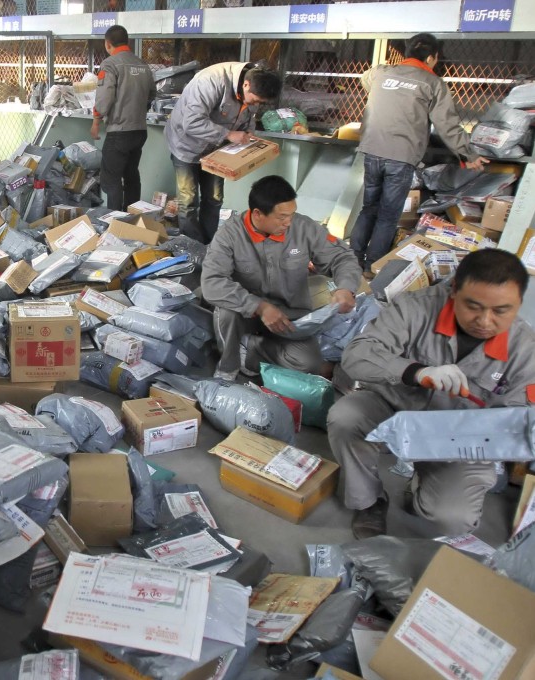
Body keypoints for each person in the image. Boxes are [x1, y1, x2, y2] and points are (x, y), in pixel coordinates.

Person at [328, 249, 535, 539]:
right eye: (473, 306)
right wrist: (417, 372)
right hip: (395, 410)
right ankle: (370, 502)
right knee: (346, 417)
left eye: (501, 310)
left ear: (518, 304)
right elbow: (357, 355)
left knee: (453, 518)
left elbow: (520, 423)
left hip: (462, 442)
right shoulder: (415, 308)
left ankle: (422, 492)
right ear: (453, 291)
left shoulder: (526, 350)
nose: (485, 321)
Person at [201, 175, 361, 381]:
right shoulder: (229, 234)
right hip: (246, 314)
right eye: (281, 217)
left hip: (289, 316)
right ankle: (228, 365)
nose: (288, 222)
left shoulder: (304, 228)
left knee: (308, 364)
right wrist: (259, 307)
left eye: (291, 214)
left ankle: (250, 351)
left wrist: (346, 287)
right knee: (226, 311)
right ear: (257, 214)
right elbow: (212, 282)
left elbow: (342, 256)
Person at [351, 33, 488, 272]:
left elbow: (366, 79)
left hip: (372, 150)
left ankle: (352, 260)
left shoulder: (381, 73)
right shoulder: (433, 83)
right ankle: (372, 266)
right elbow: (447, 125)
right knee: (388, 215)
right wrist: (468, 154)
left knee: (369, 207)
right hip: (401, 156)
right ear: (432, 58)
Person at [165, 63, 282, 243]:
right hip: (186, 145)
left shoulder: (254, 89)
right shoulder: (210, 82)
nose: (256, 105)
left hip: (216, 150)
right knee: (188, 200)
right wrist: (228, 134)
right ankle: (193, 247)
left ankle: (211, 245)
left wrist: (248, 133)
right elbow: (192, 122)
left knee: (214, 198)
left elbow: (249, 118)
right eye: (255, 100)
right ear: (246, 85)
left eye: (261, 103)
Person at [91, 25, 155, 211]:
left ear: (107, 43)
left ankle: (114, 224)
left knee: (111, 180)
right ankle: (132, 221)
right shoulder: (143, 64)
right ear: (127, 42)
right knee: (131, 176)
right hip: (139, 132)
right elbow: (152, 93)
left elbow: (104, 100)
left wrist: (96, 122)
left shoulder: (110, 64)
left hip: (119, 132)